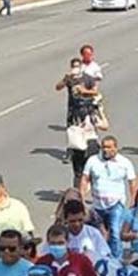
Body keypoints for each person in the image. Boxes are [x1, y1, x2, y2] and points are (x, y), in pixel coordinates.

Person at [80, 135, 136, 259]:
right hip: (98, 205)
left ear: (116, 148)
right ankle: (101, 258)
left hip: (116, 204)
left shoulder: (124, 163)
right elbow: (85, 179)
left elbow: (132, 182)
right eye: (104, 147)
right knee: (99, 234)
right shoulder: (93, 161)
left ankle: (115, 261)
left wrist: (133, 200)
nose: (106, 150)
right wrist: (81, 198)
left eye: (109, 147)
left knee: (115, 233)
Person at [56, 57, 100, 188]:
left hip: (87, 111)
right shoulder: (69, 78)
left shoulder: (87, 78)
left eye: (77, 65)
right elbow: (57, 87)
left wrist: (84, 91)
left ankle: (90, 175)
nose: (75, 68)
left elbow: (96, 91)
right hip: (73, 112)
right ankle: (72, 153)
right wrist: (65, 79)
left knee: (88, 141)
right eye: (73, 66)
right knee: (73, 136)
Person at [35, 224, 100, 276]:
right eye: (53, 243)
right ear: (48, 243)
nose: (56, 246)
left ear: (68, 242)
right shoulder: (41, 263)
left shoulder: (81, 260)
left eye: (60, 243)